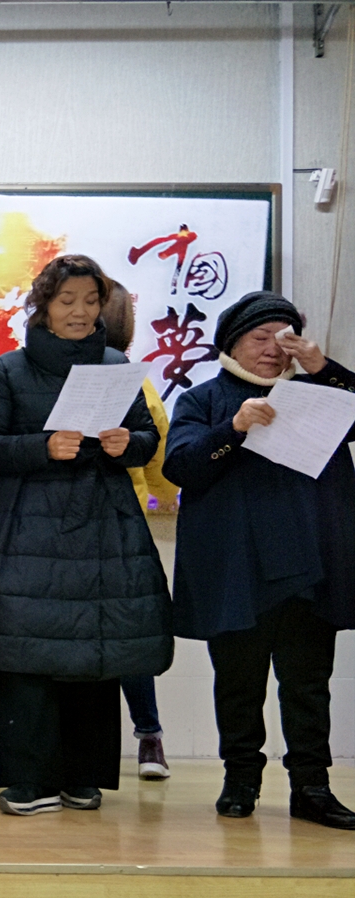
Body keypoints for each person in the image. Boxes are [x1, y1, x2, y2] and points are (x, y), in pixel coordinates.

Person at [0, 254, 173, 816]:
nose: (80, 311)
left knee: (94, 650)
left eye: (91, 301)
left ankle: (83, 776)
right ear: (44, 306)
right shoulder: (9, 368)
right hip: (26, 526)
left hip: (103, 526)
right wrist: (43, 446)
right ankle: (28, 781)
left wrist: (129, 444)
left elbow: (147, 438)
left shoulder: (116, 364)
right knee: (25, 652)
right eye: (67, 300)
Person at [162, 291, 355, 830]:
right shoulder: (203, 399)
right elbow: (181, 467)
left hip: (310, 566)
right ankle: (240, 781)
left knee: (308, 685)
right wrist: (235, 429)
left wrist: (322, 367)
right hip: (236, 569)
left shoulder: (317, 393)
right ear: (232, 343)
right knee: (238, 684)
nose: (273, 348)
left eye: (286, 338)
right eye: (260, 337)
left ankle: (312, 787)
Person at [101, 280, 175, 780]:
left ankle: (148, 733)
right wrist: (165, 495)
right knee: (126, 632)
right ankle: (149, 737)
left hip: (117, 526)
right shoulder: (138, 382)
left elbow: (156, 451)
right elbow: (161, 465)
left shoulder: (133, 382)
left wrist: (165, 493)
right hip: (104, 525)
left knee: (126, 630)